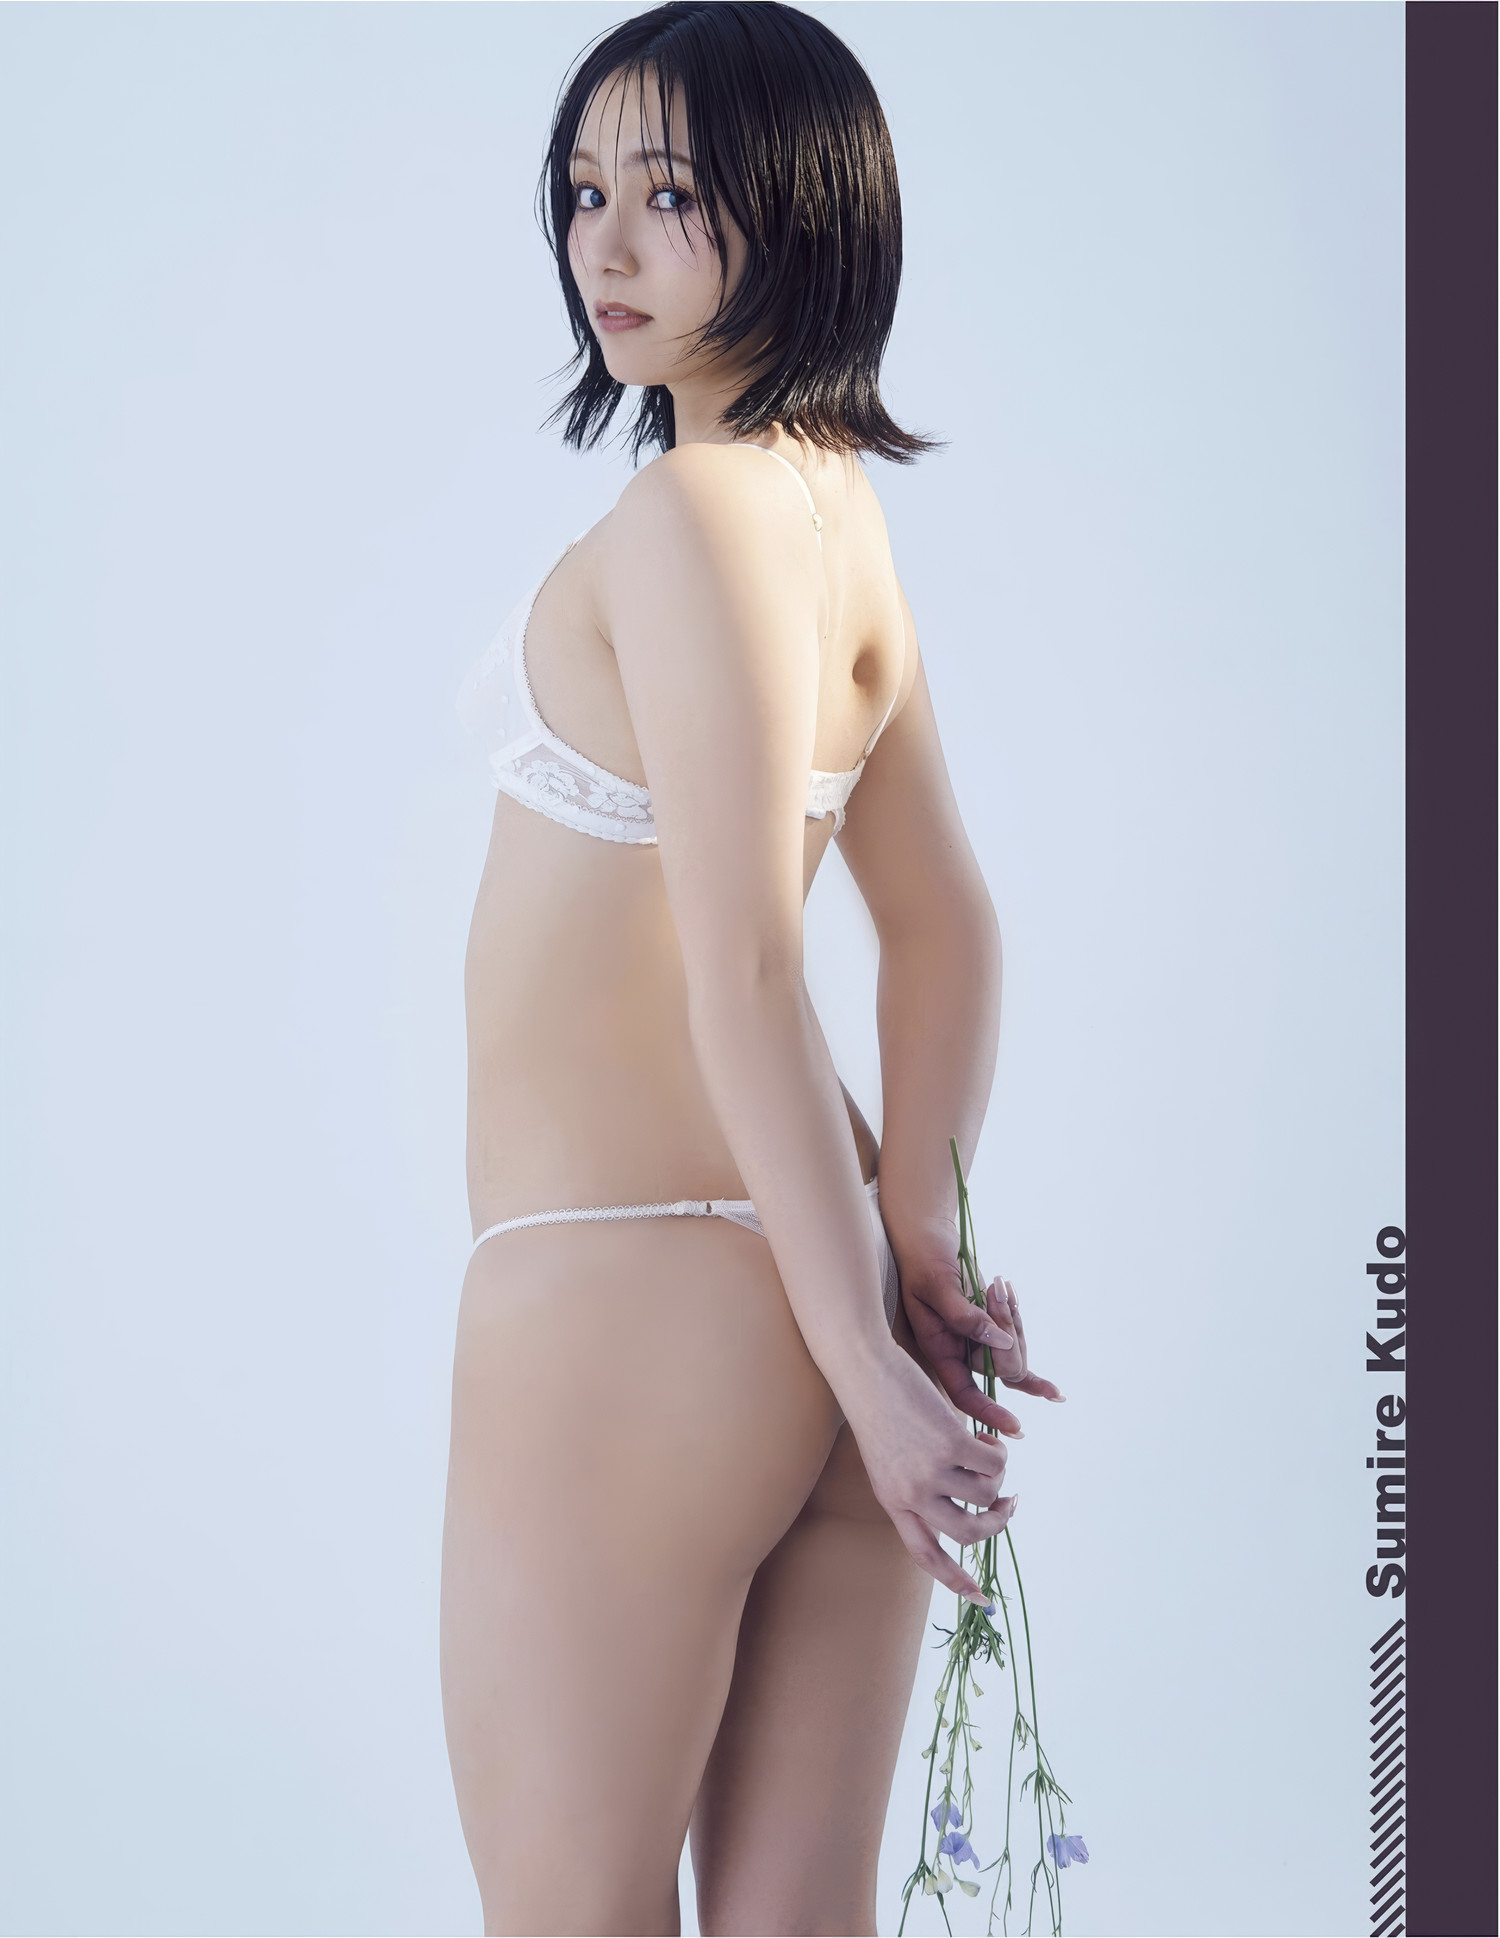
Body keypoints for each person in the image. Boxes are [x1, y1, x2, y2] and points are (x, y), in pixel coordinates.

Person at [441, 5, 1060, 1932]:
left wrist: (880, 1359)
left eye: (669, 195)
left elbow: (749, 963)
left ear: (800, 212)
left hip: (622, 1300)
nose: (605, 245)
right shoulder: (830, 514)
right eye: (583, 193)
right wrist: (903, 1252)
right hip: (813, 1267)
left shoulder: (689, 511)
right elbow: (945, 919)